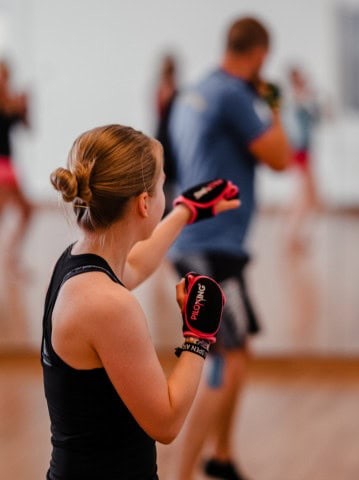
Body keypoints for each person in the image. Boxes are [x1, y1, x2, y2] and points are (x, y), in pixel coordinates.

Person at [42, 124, 240, 479]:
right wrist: (199, 337)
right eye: (163, 185)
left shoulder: (76, 262)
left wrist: (184, 211)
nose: (167, 192)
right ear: (145, 204)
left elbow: (136, 263)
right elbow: (166, 422)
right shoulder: (109, 305)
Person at [168, 16, 291, 480]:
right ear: (259, 55)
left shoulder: (194, 92)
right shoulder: (237, 96)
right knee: (225, 358)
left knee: (239, 352)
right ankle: (184, 472)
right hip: (209, 247)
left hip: (204, 244)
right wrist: (273, 103)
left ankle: (220, 455)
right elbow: (280, 157)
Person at [282, 65, 323, 252]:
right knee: (304, 196)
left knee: (311, 196)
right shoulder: (295, 99)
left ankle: (296, 235)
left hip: (305, 151)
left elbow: (318, 118)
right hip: (298, 152)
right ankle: (292, 236)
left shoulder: (304, 99)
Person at [0, 60, 32, 272]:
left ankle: (12, 258)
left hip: (9, 164)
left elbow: (27, 128)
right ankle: (12, 261)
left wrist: (25, 108)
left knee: (27, 211)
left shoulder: (11, 100)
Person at [154, 53, 179, 215]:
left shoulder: (165, 88)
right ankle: (163, 210)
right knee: (164, 177)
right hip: (166, 138)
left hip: (167, 136)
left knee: (167, 179)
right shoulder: (166, 89)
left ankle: (166, 209)